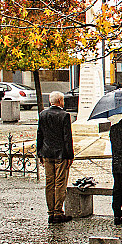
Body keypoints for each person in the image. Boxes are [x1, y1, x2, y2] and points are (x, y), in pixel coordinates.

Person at [37, 91, 74, 224]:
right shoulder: (64, 115)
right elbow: (67, 137)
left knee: (49, 183)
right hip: (61, 154)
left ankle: (50, 211)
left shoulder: (43, 114)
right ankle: (58, 211)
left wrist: (39, 152)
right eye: (63, 100)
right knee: (60, 183)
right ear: (59, 101)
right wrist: (70, 155)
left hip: (47, 152)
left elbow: (39, 134)